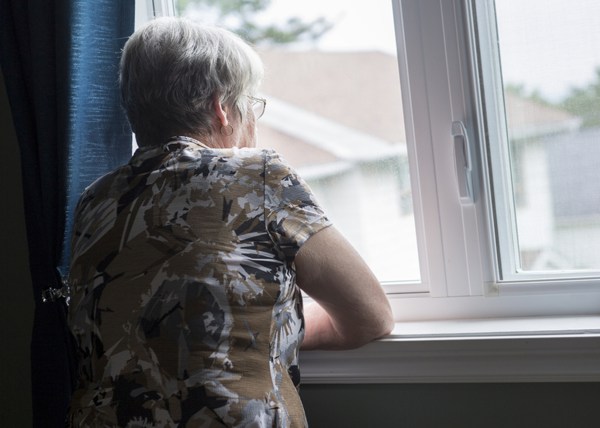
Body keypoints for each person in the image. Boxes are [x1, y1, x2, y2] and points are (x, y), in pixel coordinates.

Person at [65, 17, 393, 427]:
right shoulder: (257, 176)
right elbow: (370, 315)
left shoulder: (94, 200)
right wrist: (269, 332)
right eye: (249, 104)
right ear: (222, 107)